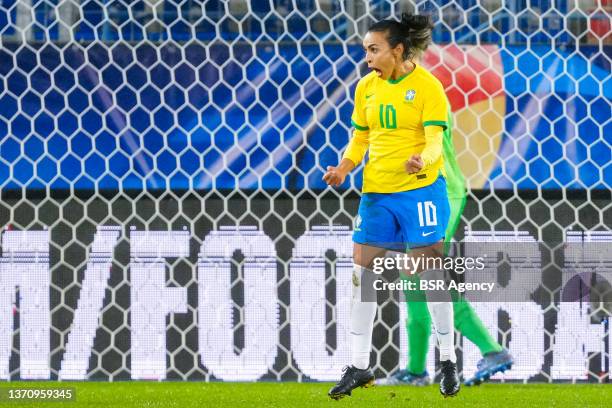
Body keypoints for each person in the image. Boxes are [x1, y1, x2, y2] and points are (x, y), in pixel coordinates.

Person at [323, 13, 459, 399]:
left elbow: (435, 141)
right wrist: (345, 167)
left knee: (430, 278)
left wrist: (424, 161)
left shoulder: (428, 87)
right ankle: (359, 366)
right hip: (376, 195)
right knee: (359, 278)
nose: (367, 57)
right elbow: (360, 137)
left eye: (373, 49)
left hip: (420, 194)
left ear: (397, 50)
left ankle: (447, 361)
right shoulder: (366, 86)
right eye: (366, 49)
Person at [377, 111, 514, 387]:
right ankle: (416, 371)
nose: (370, 66)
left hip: (440, 194)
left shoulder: (426, 92)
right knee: (415, 280)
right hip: (412, 198)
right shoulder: (382, 95)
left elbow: (431, 144)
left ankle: (492, 350)